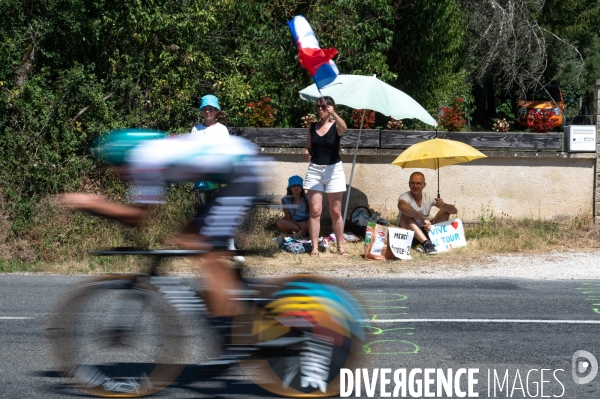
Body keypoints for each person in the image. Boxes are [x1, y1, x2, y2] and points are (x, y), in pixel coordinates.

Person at [59, 130, 260, 323]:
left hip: (242, 174)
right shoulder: (151, 152)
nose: (116, 174)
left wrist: (92, 204)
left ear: (124, 156)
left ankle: (233, 333)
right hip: (237, 172)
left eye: (115, 166)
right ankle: (235, 295)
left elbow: (136, 218)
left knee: (203, 249)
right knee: (190, 239)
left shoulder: (144, 158)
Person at [191, 94, 241, 259]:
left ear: (216, 110)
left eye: (210, 108)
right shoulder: (196, 129)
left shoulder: (222, 129)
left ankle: (231, 248)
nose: (207, 111)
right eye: (205, 108)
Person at [303, 96, 348, 257]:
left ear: (330, 107)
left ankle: (340, 247)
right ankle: (314, 247)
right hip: (315, 170)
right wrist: (306, 152)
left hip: (334, 171)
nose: (319, 109)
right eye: (317, 107)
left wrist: (334, 114)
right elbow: (309, 147)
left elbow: (345, 128)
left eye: (323, 106)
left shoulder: (336, 125)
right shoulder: (312, 126)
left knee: (336, 211)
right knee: (315, 210)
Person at [397, 171, 458, 255]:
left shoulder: (428, 197)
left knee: (445, 212)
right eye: (412, 183)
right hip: (409, 230)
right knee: (405, 214)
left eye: (418, 183)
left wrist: (443, 205)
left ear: (424, 185)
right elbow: (402, 207)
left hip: (425, 229)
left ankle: (431, 240)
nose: (415, 186)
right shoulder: (405, 196)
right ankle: (426, 243)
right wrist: (423, 218)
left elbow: (454, 210)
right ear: (409, 184)